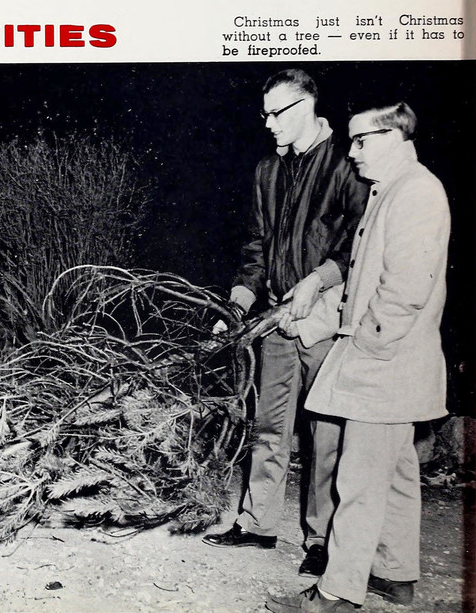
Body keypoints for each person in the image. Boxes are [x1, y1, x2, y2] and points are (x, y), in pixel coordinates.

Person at [266, 101, 450, 612]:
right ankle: (394, 574)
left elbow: (404, 291)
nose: (352, 152)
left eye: (361, 140)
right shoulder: (390, 190)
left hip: (386, 364)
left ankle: (336, 593)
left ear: (394, 137)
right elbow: (361, 286)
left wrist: (366, 346)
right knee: (395, 472)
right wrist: (315, 323)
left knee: (359, 479)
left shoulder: (415, 192)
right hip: (392, 361)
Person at [203, 69, 368, 578]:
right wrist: (236, 305)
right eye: (265, 113)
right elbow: (257, 247)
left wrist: (318, 281)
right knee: (270, 425)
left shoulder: (347, 164)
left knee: (325, 433)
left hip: (325, 320)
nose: (269, 123)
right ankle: (258, 524)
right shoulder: (267, 171)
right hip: (276, 316)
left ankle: (322, 539)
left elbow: (361, 242)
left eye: (277, 112)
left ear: (308, 105)